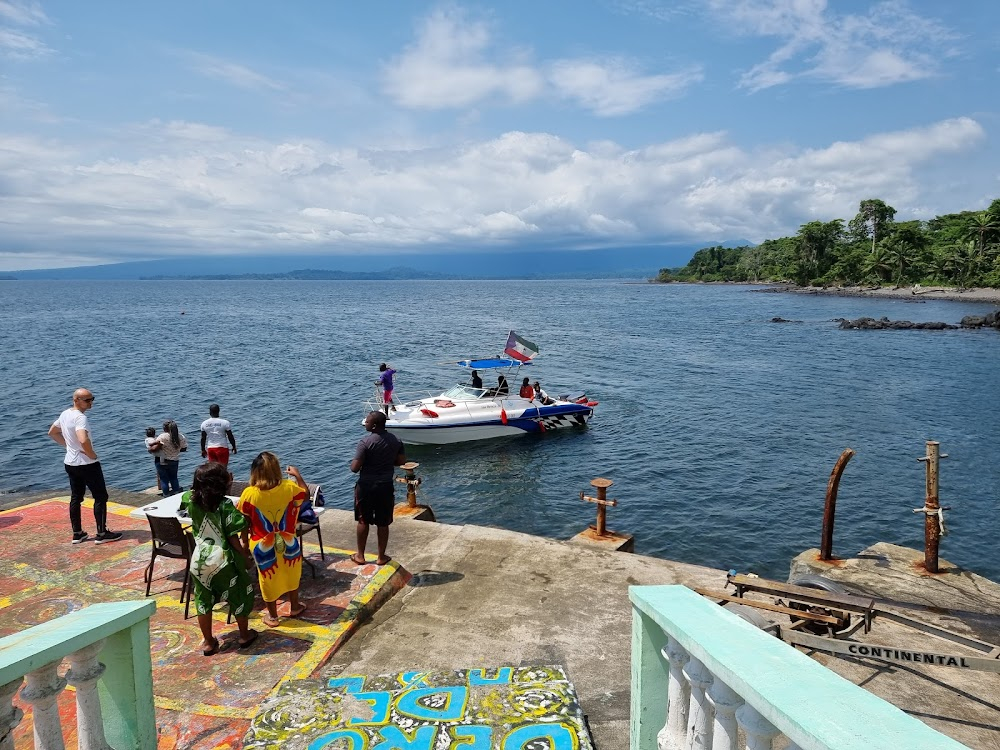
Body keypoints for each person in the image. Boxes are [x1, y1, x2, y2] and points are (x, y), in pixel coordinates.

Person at [182, 462, 257, 655]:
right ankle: (244, 635)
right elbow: (233, 537)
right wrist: (246, 557)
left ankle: (208, 642)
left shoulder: (190, 500)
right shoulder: (224, 506)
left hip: (199, 560)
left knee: (203, 600)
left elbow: (184, 500)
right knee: (238, 594)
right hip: (222, 559)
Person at [238, 451, 309, 628]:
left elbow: (244, 521)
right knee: (291, 571)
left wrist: (245, 543)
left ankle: (273, 616)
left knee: (267, 577)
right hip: (288, 540)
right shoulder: (288, 487)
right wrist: (297, 475)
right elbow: (305, 495)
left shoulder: (249, 494)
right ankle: (294, 606)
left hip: (262, 543)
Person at [47, 388, 122, 544]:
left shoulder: (65, 414)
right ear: (76, 400)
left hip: (70, 462)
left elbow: (52, 432)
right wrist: (91, 454)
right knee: (100, 496)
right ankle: (102, 533)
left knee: (76, 497)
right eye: (87, 400)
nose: (91, 403)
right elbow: (82, 439)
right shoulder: (80, 418)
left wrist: (68, 447)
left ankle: (77, 533)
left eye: (92, 399)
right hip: (87, 463)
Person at [350, 411, 405, 566]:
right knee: (383, 522)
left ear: (373, 425)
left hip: (366, 486)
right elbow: (401, 461)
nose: (365, 423)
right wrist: (386, 462)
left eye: (367, 422)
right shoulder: (396, 441)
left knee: (363, 520)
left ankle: (360, 556)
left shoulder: (365, 443)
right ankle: (381, 557)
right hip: (385, 486)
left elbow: (355, 468)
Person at [149, 420, 188, 495]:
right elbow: (184, 448)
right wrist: (176, 450)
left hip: (162, 460)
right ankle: (177, 495)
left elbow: (154, 448)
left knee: (164, 480)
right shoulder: (180, 436)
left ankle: (166, 496)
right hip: (174, 460)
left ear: (165, 428)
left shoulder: (163, 436)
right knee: (174, 478)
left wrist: (149, 449)